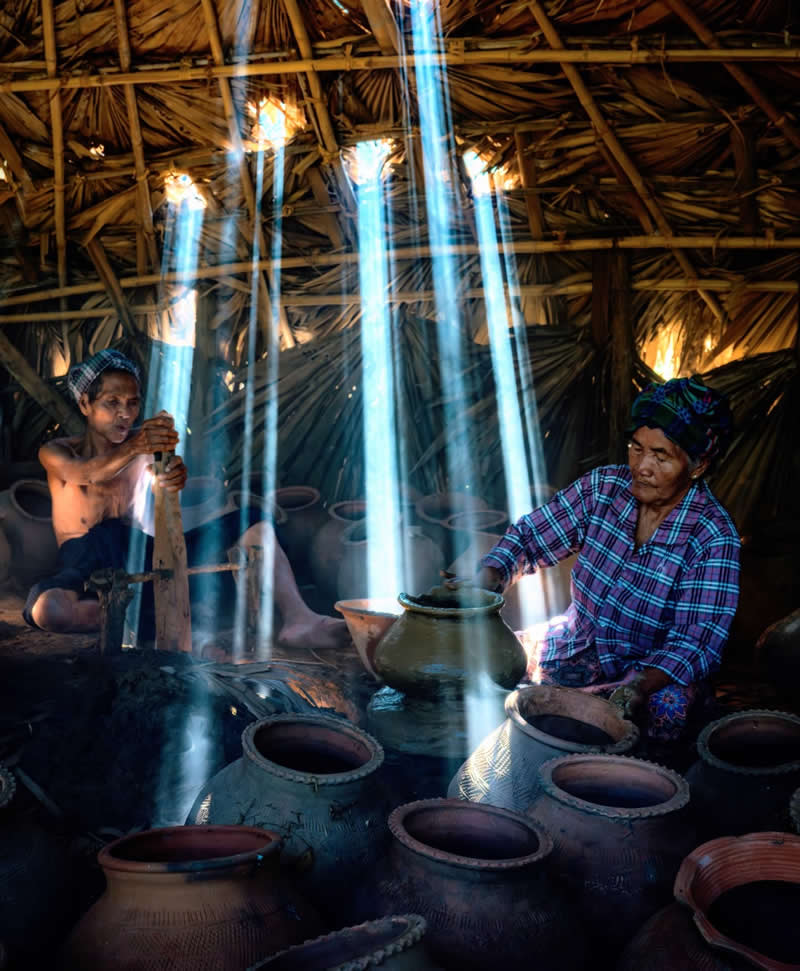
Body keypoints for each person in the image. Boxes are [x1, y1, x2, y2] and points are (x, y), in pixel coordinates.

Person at [463, 376, 740, 742]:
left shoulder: (713, 536)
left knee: (665, 709)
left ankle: (648, 782)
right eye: (636, 448)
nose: (642, 466)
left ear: (699, 465)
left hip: (652, 673)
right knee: (496, 662)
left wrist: (637, 686)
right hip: (579, 641)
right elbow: (530, 537)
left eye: (661, 456)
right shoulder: (604, 489)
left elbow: (695, 642)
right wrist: (488, 582)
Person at [23, 349, 349, 651]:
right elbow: (88, 474)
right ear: (85, 404)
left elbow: (162, 487)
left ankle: (298, 619)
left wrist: (172, 474)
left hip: (140, 555)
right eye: (112, 403)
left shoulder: (143, 446)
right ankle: (134, 620)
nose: (125, 413)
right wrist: (137, 448)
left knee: (252, 518)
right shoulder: (58, 451)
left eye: (133, 403)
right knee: (49, 610)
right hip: (86, 558)